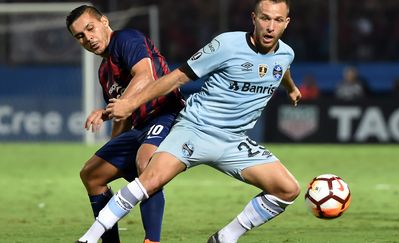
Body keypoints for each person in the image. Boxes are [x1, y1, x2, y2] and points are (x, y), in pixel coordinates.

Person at [75, 1, 301, 242]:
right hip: (195, 128)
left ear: (286, 23)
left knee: (288, 190)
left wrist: (292, 88)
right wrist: (130, 105)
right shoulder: (226, 44)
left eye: (277, 20)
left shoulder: (287, 53)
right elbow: (177, 78)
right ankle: (89, 238)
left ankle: (225, 238)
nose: (270, 27)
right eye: (265, 18)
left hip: (234, 141)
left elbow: (281, 66)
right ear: (253, 18)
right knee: (148, 179)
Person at [66, 5, 184, 243]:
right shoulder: (104, 72)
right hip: (140, 127)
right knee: (91, 174)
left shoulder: (125, 39)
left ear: (104, 22)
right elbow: (122, 115)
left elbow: (145, 75)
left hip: (166, 113)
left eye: (90, 28)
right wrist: (114, 149)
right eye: (80, 35)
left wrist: (116, 106)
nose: (87, 38)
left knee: (145, 162)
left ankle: (152, 240)